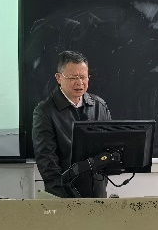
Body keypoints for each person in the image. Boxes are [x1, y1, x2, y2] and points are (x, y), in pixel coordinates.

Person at [32, 50, 112, 198]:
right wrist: (66, 199)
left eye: (83, 77)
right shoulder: (45, 112)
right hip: (63, 197)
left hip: (97, 195)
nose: (79, 83)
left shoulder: (99, 106)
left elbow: (109, 149)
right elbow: (47, 163)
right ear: (58, 78)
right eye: (73, 77)